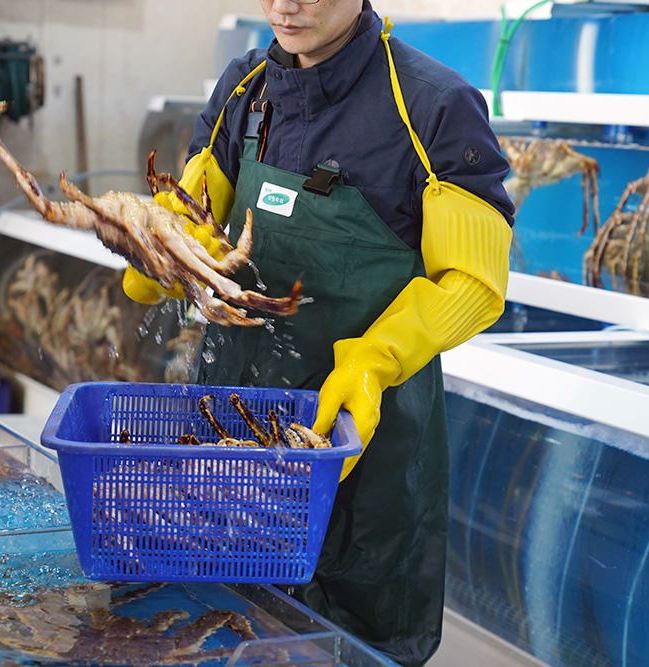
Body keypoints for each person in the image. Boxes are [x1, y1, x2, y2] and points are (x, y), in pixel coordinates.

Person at [124, 1, 515, 664]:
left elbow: (475, 282)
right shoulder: (243, 92)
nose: (285, 5)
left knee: (345, 645)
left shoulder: (435, 107)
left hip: (364, 459)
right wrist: (159, 248)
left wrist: (374, 360)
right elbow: (190, 210)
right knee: (217, 627)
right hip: (232, 447)